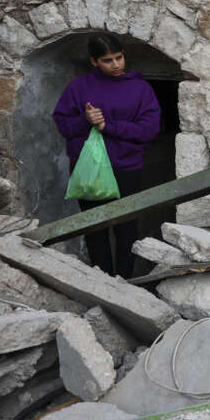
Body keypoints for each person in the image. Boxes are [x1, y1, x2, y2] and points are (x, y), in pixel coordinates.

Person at [52, 34, 160, 278]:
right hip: (88, 169)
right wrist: (85, 120)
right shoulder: (79, 88)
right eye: (107, 60)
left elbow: (150, 129)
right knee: (94, 228)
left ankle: (124, 282)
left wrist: (108, 126)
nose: (116, 65)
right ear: (94, 61)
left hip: (126, 168)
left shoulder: (140, 88)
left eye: (119, 57)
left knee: (126, 227)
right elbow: (63, 126)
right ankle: (101, 282)